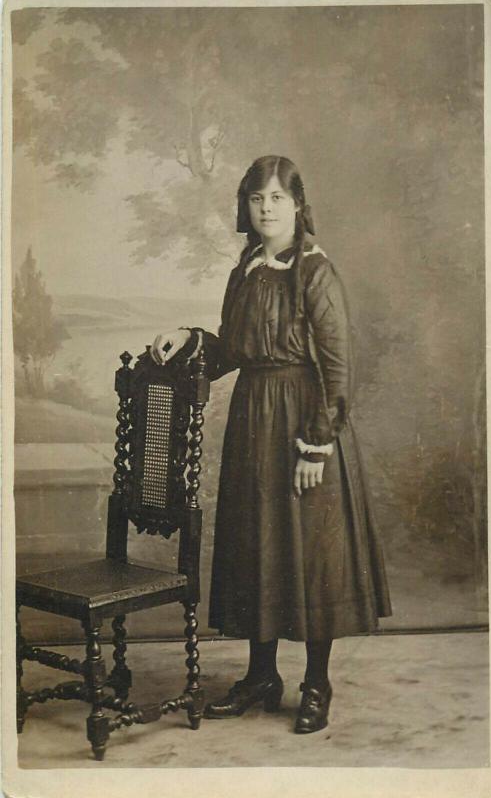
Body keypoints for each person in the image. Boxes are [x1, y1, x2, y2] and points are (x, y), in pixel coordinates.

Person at [150, 155, 392, 734]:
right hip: (253, 422)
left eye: (278, 199)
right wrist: (189, 338)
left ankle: (316, 683)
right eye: (258, 199)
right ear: (247, 205)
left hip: (303, 422)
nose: (267, 209)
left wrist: (316, 445)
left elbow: (338, 367)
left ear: (298, 205)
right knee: (257, 543)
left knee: (311, 554)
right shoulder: (248, 266)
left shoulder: (314, 270)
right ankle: (261, 676)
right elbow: (236, 349)